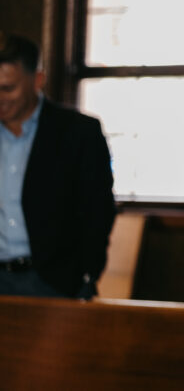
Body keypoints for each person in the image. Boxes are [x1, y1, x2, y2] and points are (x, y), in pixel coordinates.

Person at [0, 32, 115, 298]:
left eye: (8, 88)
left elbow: (98, 212)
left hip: (53, 282)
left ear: (37, 80)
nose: (0, 98)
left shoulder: (78, 133)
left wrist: (88, 274)